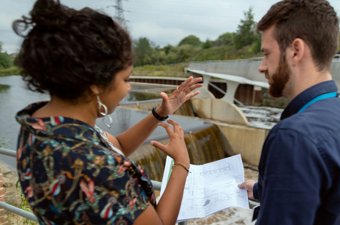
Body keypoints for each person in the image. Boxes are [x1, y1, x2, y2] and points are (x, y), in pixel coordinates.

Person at [13, 0, 202, 224]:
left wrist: (160, 113)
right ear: (95, 83)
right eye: (126, 79)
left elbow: (117, 147)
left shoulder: (40, 125)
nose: (128, 88)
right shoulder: (91, 166)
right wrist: (181, 163)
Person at [238, 0, 340, 224]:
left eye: (266, 54)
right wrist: (264, 190)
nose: (262, 67)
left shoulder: (293, 136)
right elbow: (331, 201)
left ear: (296, 50)